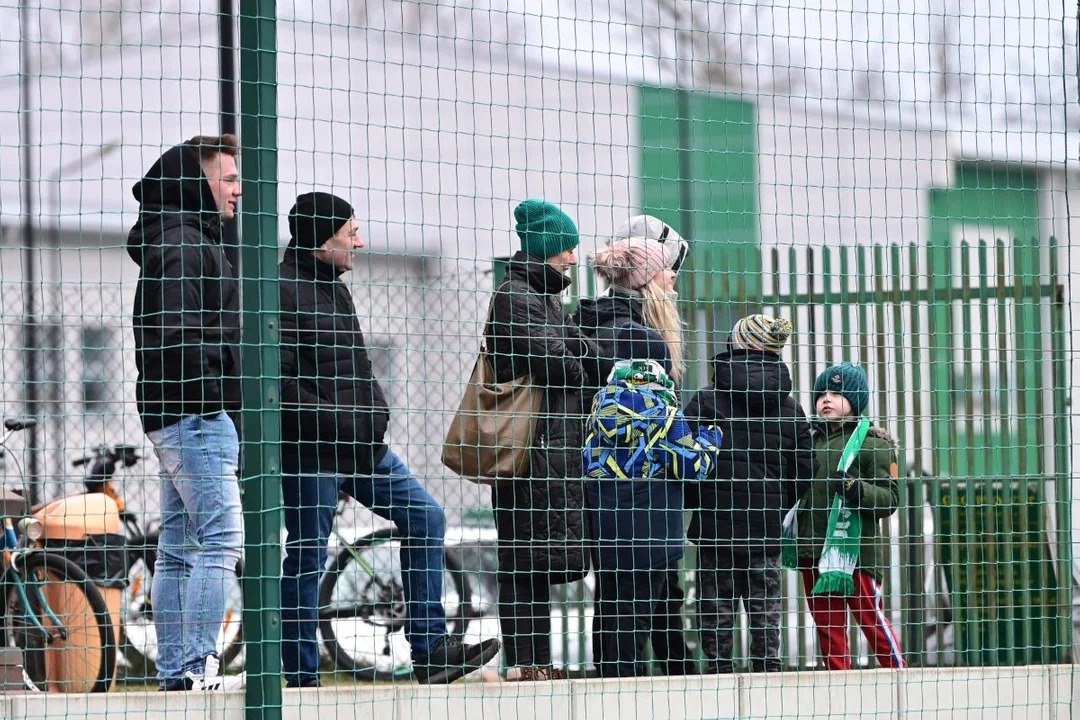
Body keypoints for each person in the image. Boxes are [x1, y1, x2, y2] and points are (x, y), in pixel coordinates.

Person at [278, 192, 499, 686]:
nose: (359, 240)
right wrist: (347, 423)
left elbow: (356, 368)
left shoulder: (334, 287)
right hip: (312, 453)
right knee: (308, 554)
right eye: (349, 231)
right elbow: (281, 387)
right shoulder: (281, 289)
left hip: (361, 449)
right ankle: (299, 679)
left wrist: (374, 413)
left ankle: (431, 650)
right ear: (322, 237)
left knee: (426, 517)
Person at [127, 135, 245, 691]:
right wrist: (229, 372)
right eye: (226, 179)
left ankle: (177, 673)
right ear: (195, 182)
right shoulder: (183, 244)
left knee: (178, 549)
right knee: (221, 540)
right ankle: (198, 666)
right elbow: (178, 335)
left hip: (177, 413)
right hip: (195, 412)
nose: (238, 190)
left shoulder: (184, 240)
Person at [486, 199, 600, 681]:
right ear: (548, 248)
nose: (574, 259)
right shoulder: (516, 296)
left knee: (538, 559)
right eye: (567, 248)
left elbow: (580, 358)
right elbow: (563, 364)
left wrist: (580, 360)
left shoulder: (545, 298)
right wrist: (579, 363)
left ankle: (538, 663)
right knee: (523, 560)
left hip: (551, 451)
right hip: (528, 452)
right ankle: (526, 664)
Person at [574, 223, 696, 675]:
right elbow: (663, 434)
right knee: (632, 619)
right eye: (666, 272)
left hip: (614, 501)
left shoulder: (600, 328)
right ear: (645, 279)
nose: (673, 280)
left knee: (637, 611)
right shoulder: (636, 341)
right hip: (641, 502)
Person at [583, 323, 723, 678]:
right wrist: (710, 437)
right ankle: (627, 692)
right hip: (652, 530)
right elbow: (694, 467)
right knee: (640, 617)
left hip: (607, 527)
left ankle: (607, 685)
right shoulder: (664, 411)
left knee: (612, 612)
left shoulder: (600, 405)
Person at [684, 314, 817, 673]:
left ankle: (718, 672)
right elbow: (806, 469)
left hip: (716, 529)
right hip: (766, 529)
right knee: (765, 605)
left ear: (738, 345)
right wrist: (777, 503)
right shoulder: (791, 409)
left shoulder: (706, 401)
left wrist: (702, 501)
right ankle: (768, 671)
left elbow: (684, 463)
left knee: (716, 606)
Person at [796, 363, 906, 670]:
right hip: (815, 552)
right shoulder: (809, 443)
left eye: (836, 393)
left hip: (855, 553)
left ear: (855, 400)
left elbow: (890, 498)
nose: (826, 399)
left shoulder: (875, 445)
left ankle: (899, 676)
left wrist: (856, 490)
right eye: (822, 394)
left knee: (871, 620)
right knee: (828, 627)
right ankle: (839, 685)